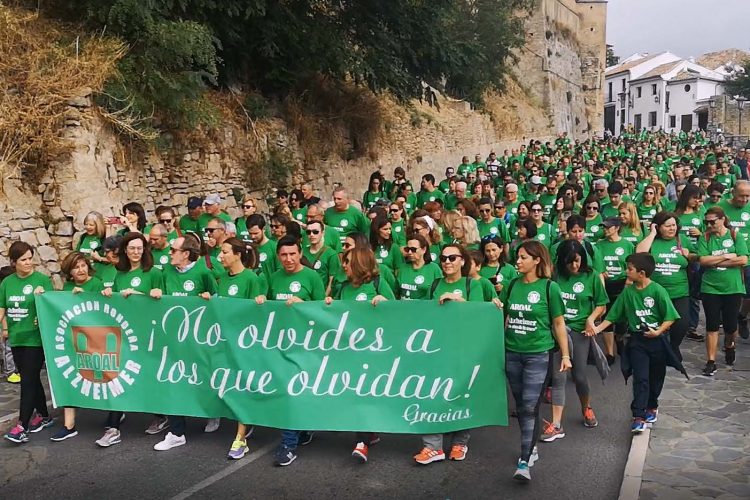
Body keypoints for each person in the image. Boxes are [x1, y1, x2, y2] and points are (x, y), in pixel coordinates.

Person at [499, 240, 570, 481]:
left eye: (522, 257)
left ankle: (524, 460)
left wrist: (566, 355)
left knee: (530, 406)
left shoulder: (549, 288)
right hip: (512, 352)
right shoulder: (510, 286)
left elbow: (558, 323)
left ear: (537, 260)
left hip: (538, 354)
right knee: (522, 407)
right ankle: (531, 446)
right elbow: (504, 318)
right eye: (517, 257)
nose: (517, 261)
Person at [414, 244, 486, 465]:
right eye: (444, 258)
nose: (447, 262)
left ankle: (459, 442)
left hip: (463, 350)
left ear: (463, 261)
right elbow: (422, 313)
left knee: (460, 395)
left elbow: (479, 314)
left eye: (453, 258)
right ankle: (432, 447)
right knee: (432, 395)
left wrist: (457, 300)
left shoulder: (472, 284)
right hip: (436, 349)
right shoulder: (435, 284)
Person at [592, 253, 680, 434]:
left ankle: (652, 406)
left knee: (656, 377)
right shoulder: (628, 292)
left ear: (641, 273)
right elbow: (613, 315)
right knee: (641, 378)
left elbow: (670, 316)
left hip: (657, 340)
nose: (626, 271)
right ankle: (638, 416)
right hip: (638, 341)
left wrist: (658, 331)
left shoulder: (657, 291)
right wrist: (596, 329)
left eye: (629, 269)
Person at [257, 235, 325, 466]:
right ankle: (293, 438)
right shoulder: (274, 278)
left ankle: (294, 437)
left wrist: (304, 306)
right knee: (287, 393)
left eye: (293, 254)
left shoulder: (312, 276)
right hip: (281, 346)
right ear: (278, 256)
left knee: (296, 393)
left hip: (305, 346)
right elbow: (266, 308)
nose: (288, 259)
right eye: (284, 255)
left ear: (300, 253)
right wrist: (259, 300)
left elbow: (324, 312)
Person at [97, 232, 164, 447]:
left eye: (139, 248)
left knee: (148, 377)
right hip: (125, 335)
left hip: (149, 335)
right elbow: (116, 304)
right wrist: (110, 293)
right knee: (117, 377)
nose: (135, 252)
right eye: (131, 248)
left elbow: (164, 300)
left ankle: (160, 415)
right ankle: (113, 428)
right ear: (125, 251)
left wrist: (150, 293)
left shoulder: (153, 273)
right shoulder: (120, 274)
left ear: (145, 250)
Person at [153, 233, 218, 451]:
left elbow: (217, 304)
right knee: (172, 381)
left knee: (201, 380)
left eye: (173, 250)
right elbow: (161, 298)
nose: (169, 254)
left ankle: (211, 412)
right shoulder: (167, 272)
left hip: (197, 340)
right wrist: (155, 293)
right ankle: (176, 432)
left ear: (186, 254)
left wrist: (210, 299)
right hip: (173, 339)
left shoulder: (203, 273)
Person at [541, 240, 608, 443]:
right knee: (558, 376)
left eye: (577, 261)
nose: (574, 266)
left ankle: (586, 407)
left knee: (579, 376)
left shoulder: (592, 277)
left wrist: (591, 319)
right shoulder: (554, 277)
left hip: (579, 332)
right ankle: (556, 424)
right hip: (557, 330)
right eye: (570, 263)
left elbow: (602, 304)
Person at [215, 237, 264, 460]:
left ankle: (240, 438)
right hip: (225, 342)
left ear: (237, 254)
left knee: (242, 387)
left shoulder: (251, 279)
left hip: (245, 345)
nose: (220, 256)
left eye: (225, 252)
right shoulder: (222, 278)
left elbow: (256, 313)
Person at [1, 241, 54, 444]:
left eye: (30, 258)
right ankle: (44, 415)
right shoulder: (7, 283)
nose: (28, 263)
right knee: (29, 378)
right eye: (23, 260)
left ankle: (22, 426)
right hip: (17, 337)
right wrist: (5, 328)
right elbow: (2, 308)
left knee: (28, 380)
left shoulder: (41, 280)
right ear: (14, 262)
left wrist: (42, 299)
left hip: (35, 338)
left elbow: (50, 306)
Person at [48, 252, 104, 442]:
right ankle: (68, 425)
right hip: (75, 340)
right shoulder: (68, 286)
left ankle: (114, 416)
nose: (81, 270)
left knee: (106, 375)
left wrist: (86, 296)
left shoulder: (96, 283)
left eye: (83, 265)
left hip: (98, 340)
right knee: (69, 377)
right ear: (69, 271)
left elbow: (104, 308)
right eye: (76, 267)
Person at [697, 207, 748, 376]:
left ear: (722, 219)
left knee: (730, 325)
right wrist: (727, 257)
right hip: (710, 287)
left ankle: (729, 344)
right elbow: (703, 260)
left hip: (732, 287)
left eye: (713, 221)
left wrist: (715, 261)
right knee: (712, 325)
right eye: (707, 222)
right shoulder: (705, 237)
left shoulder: (735, 235)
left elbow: (743, 258)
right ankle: (711, 360)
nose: (709, 225)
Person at [636, 212, 693, 361]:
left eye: (674, 225)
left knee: (682, 323)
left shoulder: (683, 240)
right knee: (657, 324)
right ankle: (659, 350)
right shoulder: (653, 241)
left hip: (680, 291)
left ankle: (673, 346)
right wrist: (652, 233)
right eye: (667, 226)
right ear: (659, 226)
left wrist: (688, 254)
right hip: (657, 292)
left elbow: (695, 256)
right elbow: (640, 252)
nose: (672, 228)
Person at [597, 217, 635, 363]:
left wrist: (629, 280)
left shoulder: (627, 245)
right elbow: (597, 264)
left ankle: (619, 338)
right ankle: (610, 353)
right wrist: (601, 272)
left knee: (621, 320)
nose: (605, 230)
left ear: (617, 228)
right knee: (607, 318)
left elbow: (631, 265)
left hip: (622, 284)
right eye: (604, 227)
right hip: (606, 284)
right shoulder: (600, 245)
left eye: (608, 227)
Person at [396, 235, 442, 300]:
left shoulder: (434, 269)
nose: (409, 252)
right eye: (407, 249)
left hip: (425, 308)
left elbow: (440, 291)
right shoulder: (402, 268)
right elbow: (395, 292)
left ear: (424, 249)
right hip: (404, 307)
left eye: (413, 249)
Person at [302, 220, 340, 296]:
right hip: (304, 296)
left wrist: (323, 299)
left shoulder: (331, 254)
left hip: (321, 297)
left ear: (323, 233)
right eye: (308, 232)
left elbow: (331, 280)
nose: (311, 235)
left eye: (315, 232)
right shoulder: (302, 252)